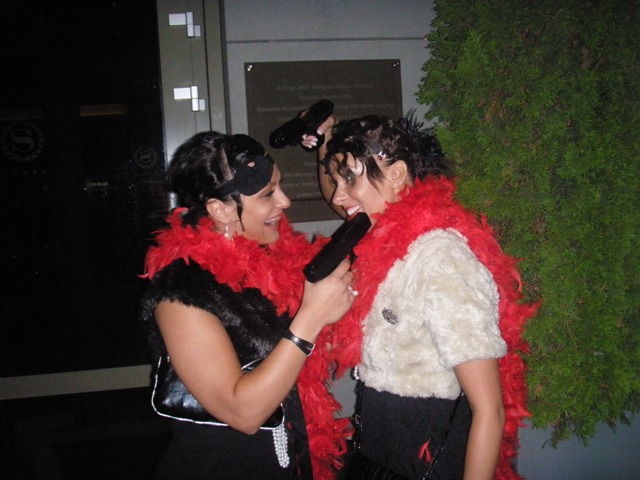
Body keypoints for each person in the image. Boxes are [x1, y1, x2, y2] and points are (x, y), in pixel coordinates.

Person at [301, 114, 538, 480]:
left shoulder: (442, 258)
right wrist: (326, 139)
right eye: (336, 181)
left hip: (425, 467)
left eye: (349, 179)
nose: (337, 195)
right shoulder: (382, 240)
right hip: (373, 459)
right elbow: (346, 201)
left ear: (397, 174)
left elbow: (489, 410)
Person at [140, 131, 357, 479]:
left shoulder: (273, 262)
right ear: (220, 210)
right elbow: (243, 413)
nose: (285, 201)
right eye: (268, 193)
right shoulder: (181, 292)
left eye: (280, 186)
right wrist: (311, 318)